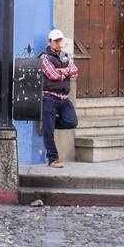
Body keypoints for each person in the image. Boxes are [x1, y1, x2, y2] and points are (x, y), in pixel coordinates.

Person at [39, 29, 79, 167]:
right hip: (49, 97)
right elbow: (52, 75)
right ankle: (53, 158)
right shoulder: (44, 57)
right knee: (49, 132)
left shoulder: (65, 56)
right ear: (50, 42)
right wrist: (64, 73)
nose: (59, 43)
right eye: (56, 41)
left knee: (72, 122)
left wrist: (63, 72)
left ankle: (46, 123)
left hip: (64, 97)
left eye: (60, 40)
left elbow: (75, 72)